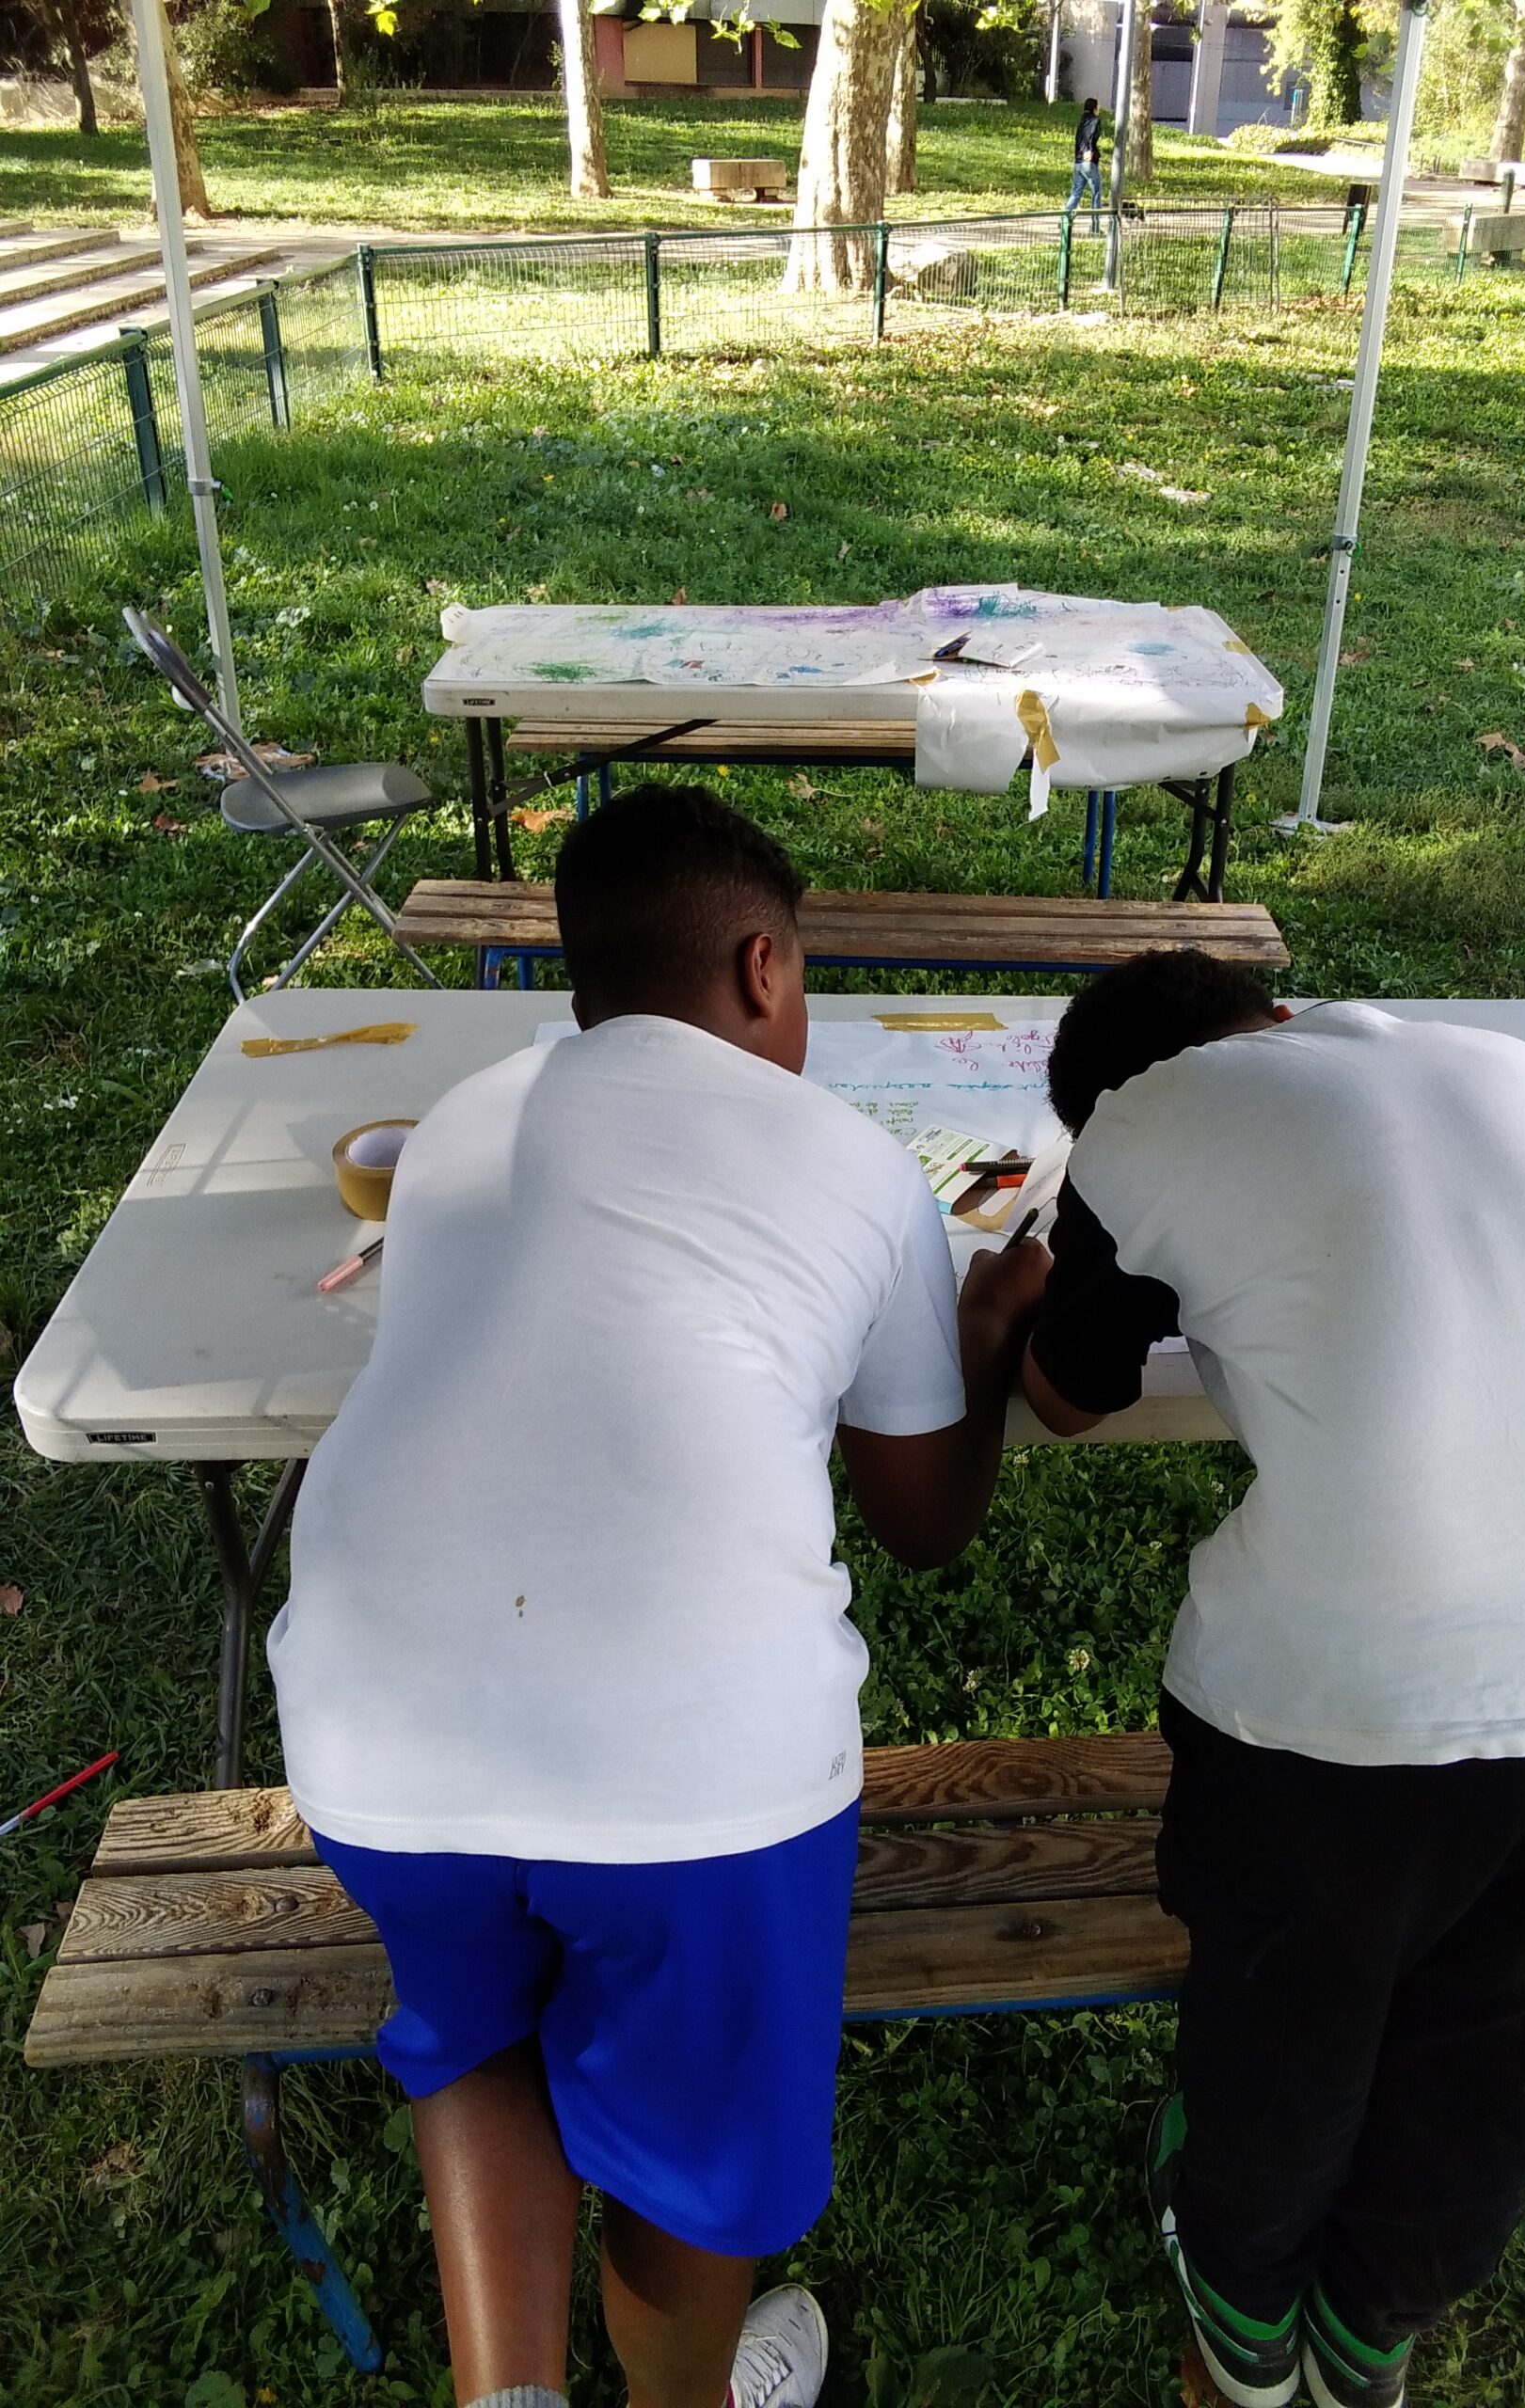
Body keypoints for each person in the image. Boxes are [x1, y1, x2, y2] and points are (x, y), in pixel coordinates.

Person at [267, 787, 1050, 2408]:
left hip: (369, 1732)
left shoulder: (471, 1120)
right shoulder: (852, 1162)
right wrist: (977, 1347)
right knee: (693, 2168)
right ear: (765, 967)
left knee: (481, 2031)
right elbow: (922, 1524)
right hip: (697, 1776)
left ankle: (511, 2399)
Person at [1020, 955, 1525, 2408]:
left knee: (1292, 1999)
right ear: (1280, 1019)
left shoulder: (1134, 1130)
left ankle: (1243, 2312)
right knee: (1517, 2037)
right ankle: (1376, 2323)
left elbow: (1071, 1388)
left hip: (1345, 1709)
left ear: (1108, 1100)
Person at [1065, 95, 1104, 235]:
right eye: (1098, 107)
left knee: (1076, 192)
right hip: (1089, 161)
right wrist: (1093, 152)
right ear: (1094, 108)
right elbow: (1093, 137)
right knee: (1096, 193)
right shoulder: (1095, 121)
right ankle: (1095, 226)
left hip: (1078, 161)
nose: (1099, 109)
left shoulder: (1081, 121)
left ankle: (1065, 220)